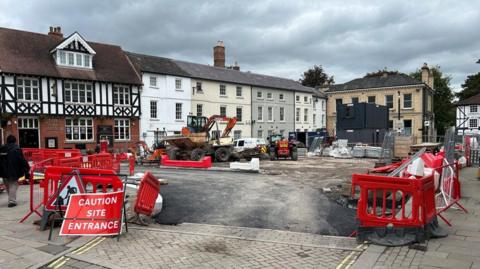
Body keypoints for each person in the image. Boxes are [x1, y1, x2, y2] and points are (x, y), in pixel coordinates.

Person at [0, 135, 30, 207]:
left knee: (7, 185)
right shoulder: (16, 149)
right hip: (13, 170)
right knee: (13, 184)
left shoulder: (2, 149)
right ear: (15, 141)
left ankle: (11, 199)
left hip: (3, 171)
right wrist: (26, 168)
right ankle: (12, 201)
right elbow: (22, 160)